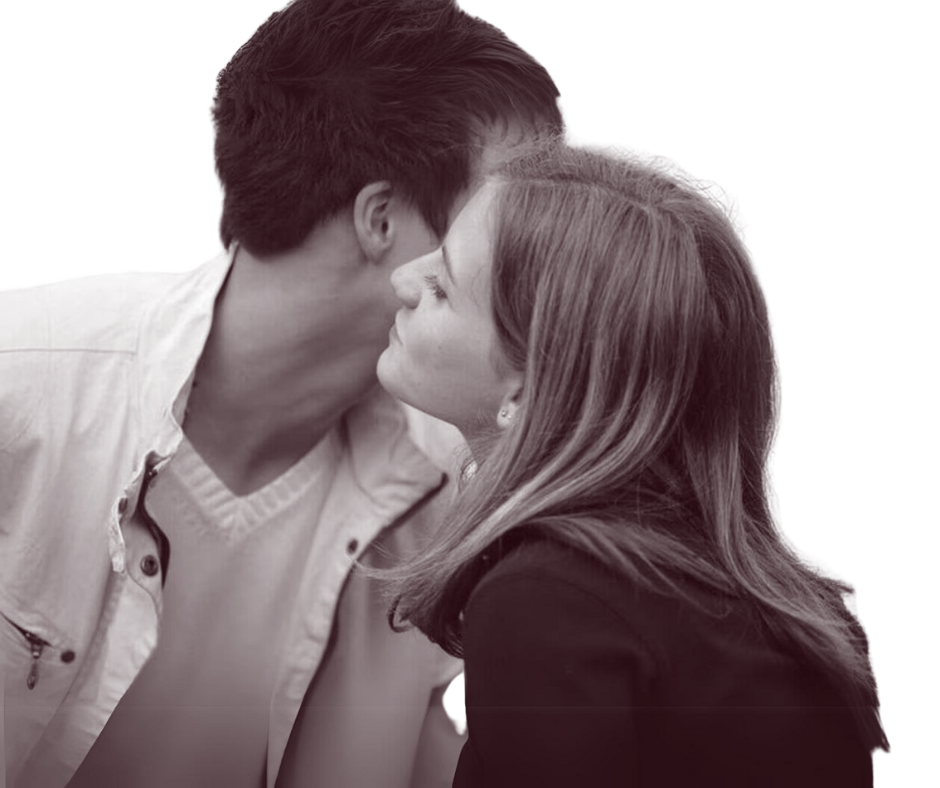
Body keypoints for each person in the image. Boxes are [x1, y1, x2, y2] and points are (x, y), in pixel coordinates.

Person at [0, 1, 567, 786]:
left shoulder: (471, 481)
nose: (557, 241)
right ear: (382, 220)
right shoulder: (22, 384)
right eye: (516, 205)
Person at [374, 141, 890, 786]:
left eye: (442, 287)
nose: (402, 279)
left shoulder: (549, 601)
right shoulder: (753, 590)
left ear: (527, 392)